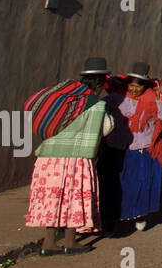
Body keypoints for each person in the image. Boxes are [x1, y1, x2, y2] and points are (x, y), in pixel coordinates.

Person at [25, 57, 116, 255]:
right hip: (76, 159)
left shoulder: (67, 99)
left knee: (53, 199)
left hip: (48, 158)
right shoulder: (95, 104)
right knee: (73, 199)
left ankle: (48, 243)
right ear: (100, 84)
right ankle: (70, 241)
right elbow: (107, 128)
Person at [108, 62, 162, 232]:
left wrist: (161, 98)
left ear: (145, 85)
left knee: (142, 185)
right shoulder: (118, 97)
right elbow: (102, 107)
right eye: (132, 85)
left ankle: (140, 214)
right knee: (120, 185)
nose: (134, 89)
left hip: (144, 149)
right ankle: (114, 220)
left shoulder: (153, 98)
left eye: (138, 86)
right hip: (121, 148)